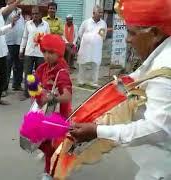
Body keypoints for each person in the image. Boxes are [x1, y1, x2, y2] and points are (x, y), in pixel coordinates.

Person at [70, 0, 171, 179]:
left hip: (168, 170)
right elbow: (139, 76)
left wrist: (98, 131)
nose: (127, 39)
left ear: (155, 33)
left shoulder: (167, 69)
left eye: (131, 32)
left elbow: (158, 128)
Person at [36, 34, 72, 180]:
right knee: (40, 141)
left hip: (58, 115)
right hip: (44, 112)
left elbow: (67, 96)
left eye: (51, 52)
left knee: (52, 145)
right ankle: (51, 161)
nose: (47, 56)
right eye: (44, 51)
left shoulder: (61, 72)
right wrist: (36, 91)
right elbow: (36, 86)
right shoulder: (43, 68)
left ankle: (49, 172)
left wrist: (51, 98)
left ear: (59, 53)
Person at [19, 6, 50, 101]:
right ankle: (26, 93)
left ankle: (37, 93)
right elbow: (24, 37)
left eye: (36, 13)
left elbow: (48, 39)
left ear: (41, 14)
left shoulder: (46, 25)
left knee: (39, 74)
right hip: (29, 52)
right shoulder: (28, 24)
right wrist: (21, 50)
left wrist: (47, 53)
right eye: (33, 14)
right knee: (28, 74)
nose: (34, 15)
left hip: (41, 53)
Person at [77, 5, 107, 88]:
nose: (101, 14)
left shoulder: (103, 23)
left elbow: (103, 35)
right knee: (82, 64)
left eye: (102, 12)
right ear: (93, 13)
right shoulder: (86, 22)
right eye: (99, 12)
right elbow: (80, 33)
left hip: (96, 48)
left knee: (96, 64)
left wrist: (95, 40)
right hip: (85, 47)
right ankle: (81, 81)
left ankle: (93, 82)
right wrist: (88, 40)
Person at [0, 0, 25, 96]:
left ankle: (17, 84)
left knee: (19, 65)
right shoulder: (4, 9)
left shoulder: (19, 11)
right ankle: (3, 88)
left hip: (19, 42)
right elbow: (6, 12)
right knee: (7, 65)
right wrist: (17, 2)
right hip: (8, 42)